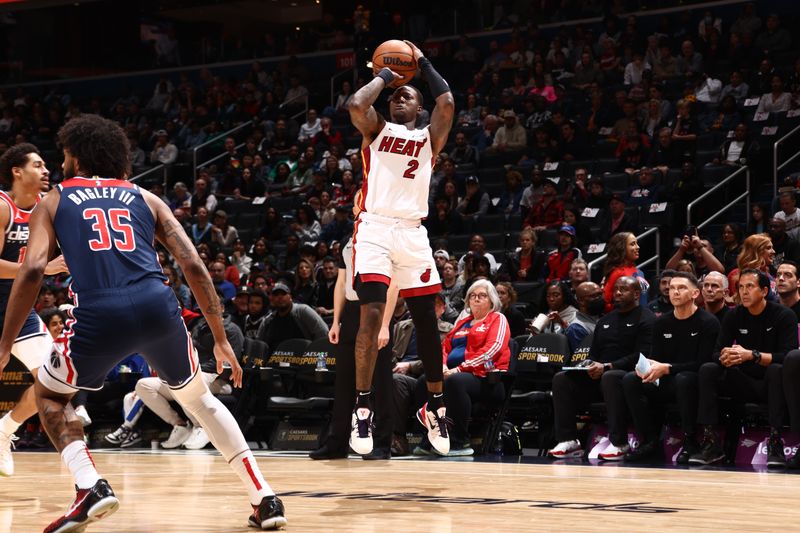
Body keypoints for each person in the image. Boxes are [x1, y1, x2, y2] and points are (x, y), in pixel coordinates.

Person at [0, 115, 286, 531]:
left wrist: (5, 341)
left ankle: (90, 485)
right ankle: (265, 497)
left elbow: (32, 270)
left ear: (76, 156)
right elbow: (193, 265)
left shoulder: (56, 199)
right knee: (199, 401)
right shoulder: (145, 197)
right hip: (158, 307)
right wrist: (221, 339)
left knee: (50, 398)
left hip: (99, 313)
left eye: (62, 155)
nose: (58, 164)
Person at [347, 39, 455, 456]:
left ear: (419, 111)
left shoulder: (430, 138)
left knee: (427, 319)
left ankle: (436, 406)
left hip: (412, 231)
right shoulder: (376, 129)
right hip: (374, 227)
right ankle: (362, 408)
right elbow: (357, 105)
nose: (397, 100)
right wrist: (386, 75)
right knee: (372, 316)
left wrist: (422, 63)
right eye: (393, 98)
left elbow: (446, 99)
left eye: (405, 97)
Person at [0, 143, 69, 477]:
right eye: (38, 165)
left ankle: (4, 431)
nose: (46, 171)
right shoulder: (2, 207)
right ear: (17, 171)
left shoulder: (45, 208)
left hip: (19, 309)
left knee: (51, 379)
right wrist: (41, 268)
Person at [310, 213, 397, 460]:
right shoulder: (350, 239)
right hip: (350, 311)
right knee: (344, 380)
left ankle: (382, 443)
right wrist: (336, 321)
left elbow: (394, 285)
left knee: (379, 380)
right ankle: (337, 442)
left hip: (374, 311)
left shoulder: (385, 236)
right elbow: (341, 282)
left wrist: (385, 325)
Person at [690, 269, 798, 467]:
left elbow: (788, 357)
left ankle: (775, 443)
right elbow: (716, 352)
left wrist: (752, 355)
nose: (744, 292)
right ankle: (711, 442)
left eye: (750, 286)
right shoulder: (734, 315)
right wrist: (726, 357)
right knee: (708, 369)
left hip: (771, 383)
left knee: (776, 369)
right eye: (740, 287)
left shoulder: (784, 315)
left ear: (764, 291)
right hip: (742, 380)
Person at [548, 277, 655, 459]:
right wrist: (589, 364)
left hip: (630, 377)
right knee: (562, 379)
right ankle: (569, 440)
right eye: (616, 289)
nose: (618, 293)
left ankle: (619, 443)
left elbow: (641, 356)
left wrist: (607, 366)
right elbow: (594, 353)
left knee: (610, 376)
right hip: (601, 375)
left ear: (637, 294)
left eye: (624, 289)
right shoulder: (606, 320)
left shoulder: (647, 318)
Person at [621, 272, 720, 463]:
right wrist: (646, 366)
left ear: (694, 294)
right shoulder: (661, 322)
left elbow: (704, 362)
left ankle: (690, 441)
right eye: (672, 288)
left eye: (681, 288)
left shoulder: (708, 322)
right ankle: (649, 441)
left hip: (694, 382)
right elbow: (656, 358)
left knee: (683, 378)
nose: (675, 292)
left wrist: (668, 368)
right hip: (666, 379)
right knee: (630, 379)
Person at [414, 280, 510, 456]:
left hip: (486, 379)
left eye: (482, 295)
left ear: (492, 300)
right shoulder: (463, 323)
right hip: (453, 373)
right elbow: (444, 348)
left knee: (454, 382)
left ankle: (461, 441)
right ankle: (431, 437)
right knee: (423, 382)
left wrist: (460, 369)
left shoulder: (497, 319)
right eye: (472, 296)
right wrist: (441, 366)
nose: (476, 299)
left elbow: (493, 349)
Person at [256, 283, 328, 348]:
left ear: (290, 297)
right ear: (272, 299)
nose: (280, 297)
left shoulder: (303, 311)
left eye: (283, 294)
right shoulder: (268, 320)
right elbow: (259, 344)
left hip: (303, 358)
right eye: (276, 295)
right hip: (277, 359)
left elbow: (323, 332)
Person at [564, 281, 604, 353]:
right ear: (581, 301)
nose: (599, 298)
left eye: (600, 294)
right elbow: (583, 359)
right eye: (593, 296)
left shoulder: (604, 317)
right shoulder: (576, 328)